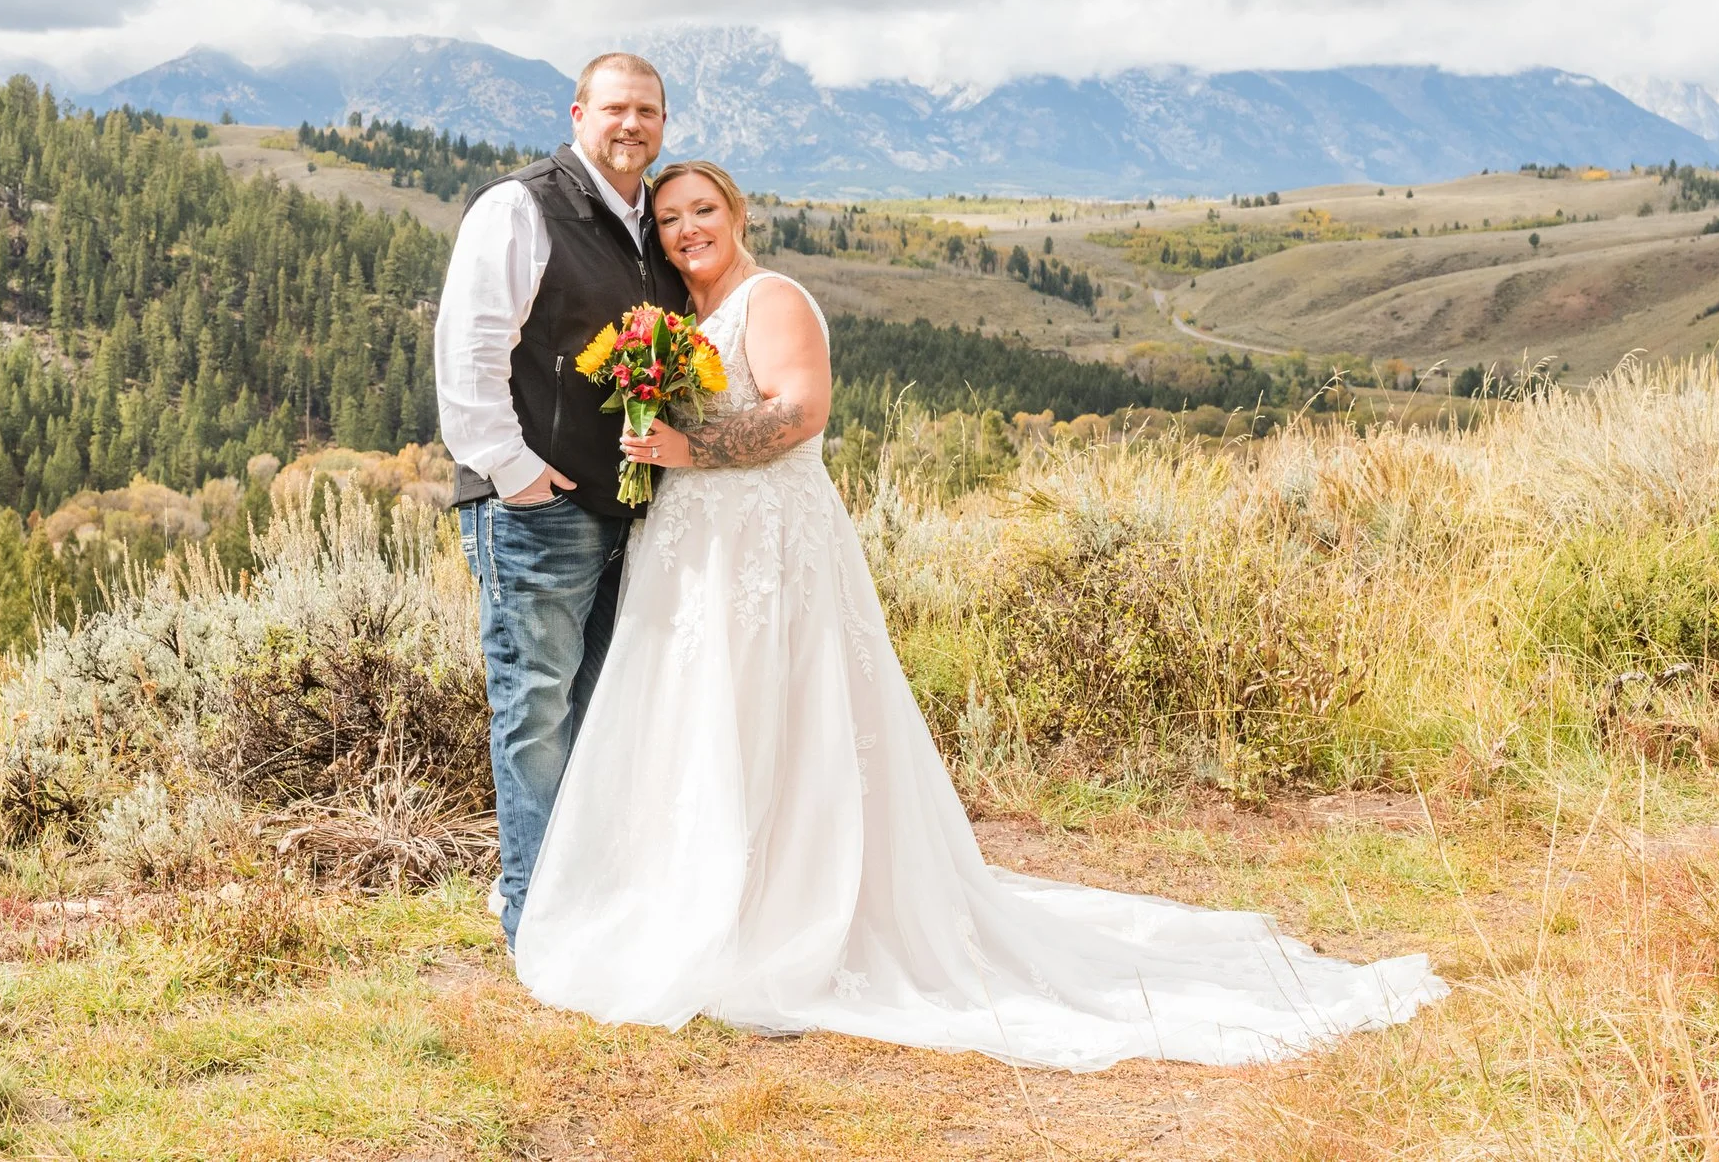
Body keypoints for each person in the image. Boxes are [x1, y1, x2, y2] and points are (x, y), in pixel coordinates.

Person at [512, 160, 1446, 1069]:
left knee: (782, 721)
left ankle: (784, 917)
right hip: (705, 556)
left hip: (770, 552)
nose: (687, 229)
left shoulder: (772, 298)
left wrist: (691, 446)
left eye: (703, 210)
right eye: (670, 218)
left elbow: (800, 412)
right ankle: (705, 899)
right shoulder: (685, 319)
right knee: (709, 721)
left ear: (737, 214)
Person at [433, 52, 689, 941]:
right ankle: (534, 918)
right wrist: (515, 473)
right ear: (578, 115)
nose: (632, 124)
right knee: (534, 709)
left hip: (623, 513)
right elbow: (469, 349)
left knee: (600, 708)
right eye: (615, 108)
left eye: (647, 111)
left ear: (664, 123)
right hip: (538, 511)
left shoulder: (649, 224)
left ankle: (581, 898)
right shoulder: (522, 206)